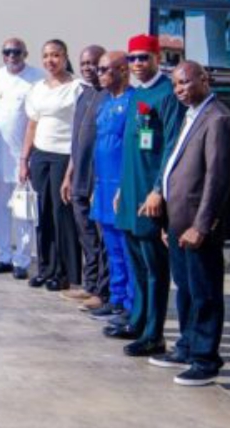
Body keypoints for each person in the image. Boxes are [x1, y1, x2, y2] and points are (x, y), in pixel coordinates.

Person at [155, 61, 230, 386]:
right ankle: (188, 345)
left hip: (198, 226)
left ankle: (205, 359)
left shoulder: (217, 119)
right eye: (175, 84)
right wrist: (167, 222)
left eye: (185, 82)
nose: (179, 90)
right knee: (187, 290)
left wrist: (202, 226)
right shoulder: (191, 115)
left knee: (204, 293)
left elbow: (218, 179)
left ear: (204, 79)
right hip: (179, 223)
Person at [107, 34, 182, 361]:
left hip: (150, 196)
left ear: (156, 57)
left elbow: (170, 148)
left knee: (154, 269)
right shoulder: (138, 93)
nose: (137, 64)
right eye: (133, 58)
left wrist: (157, 191)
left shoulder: (167, 94)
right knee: (138, 266)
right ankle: (137, 322)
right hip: (131, 192)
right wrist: (124, 188)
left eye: (143, 58)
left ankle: (154, 335)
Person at [19, 39, 82, 291]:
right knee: (42, 214)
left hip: (64, 156)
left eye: (56, 55)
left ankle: (64, 272)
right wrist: (24, 159)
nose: (50, 60)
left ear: (66, 57)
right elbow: (32, 125)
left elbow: (81, 129)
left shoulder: (77, 87)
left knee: (61, 215)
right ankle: (45, 268)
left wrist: (72, 167)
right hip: (40, 156)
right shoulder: (37, 89)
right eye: (46, 56)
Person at [0, 38, 43, 279]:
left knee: (23, 210)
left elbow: (36, 119)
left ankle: (22, 260)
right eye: (7, 51)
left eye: (16, 52)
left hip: (23, 156)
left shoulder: (37, 78)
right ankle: (3, 256)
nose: (11, 56)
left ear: (25, 53)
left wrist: (27, 157)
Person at [88, 52, 136, 323]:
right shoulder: (105, 103)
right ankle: (115, 299)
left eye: (105, 69)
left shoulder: (133, 102)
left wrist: (125, 187)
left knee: (127, 249)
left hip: (121, 186)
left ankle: (130, 305)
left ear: (122, 70)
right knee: (112, 249)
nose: (100, 73)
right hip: (102, 185)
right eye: (98, 69)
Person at [60, 45, 107, 308]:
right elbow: (76, 141)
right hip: (78, 178)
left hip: (97, 179)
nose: (89, 68)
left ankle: (103, 291)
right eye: (84, 63)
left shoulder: (108, 96)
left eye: (94, 63)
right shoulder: (84, 94)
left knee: (102, 238)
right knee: (86, 235)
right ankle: (89, 285)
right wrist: (68, 175)